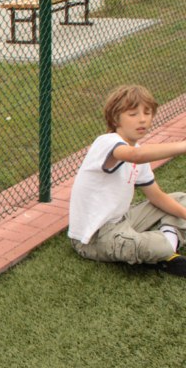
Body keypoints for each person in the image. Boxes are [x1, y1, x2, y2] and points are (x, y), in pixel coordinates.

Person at [68, 84, 186, 276]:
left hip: (123, 220)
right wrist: (183, 146)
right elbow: (135, 156)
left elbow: (156, 197)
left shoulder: (137, 150)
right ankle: (166, 248)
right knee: (159, 246)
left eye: (147, 113)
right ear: (115, 118)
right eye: (133, 114)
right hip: (93, 238)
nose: (142, 119)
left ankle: (167, 246)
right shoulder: (106, 142)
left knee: (181, 199)